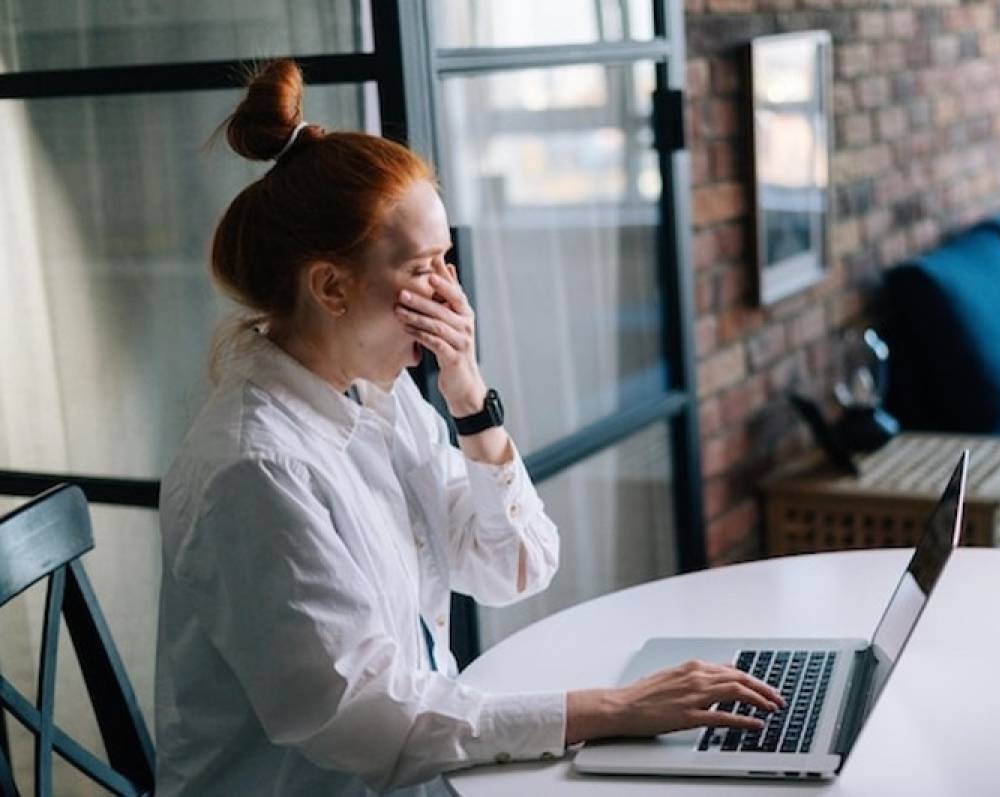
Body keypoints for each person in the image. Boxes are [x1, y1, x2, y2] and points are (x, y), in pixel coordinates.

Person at [154, 59, 784, 797]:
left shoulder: (381, 402)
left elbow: (515, 564)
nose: (451, 294)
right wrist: (613, 709)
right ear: (330, 286)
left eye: (447, 259)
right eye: (424, 268)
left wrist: (467, 392)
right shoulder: (257, 467)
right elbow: (364, 718)